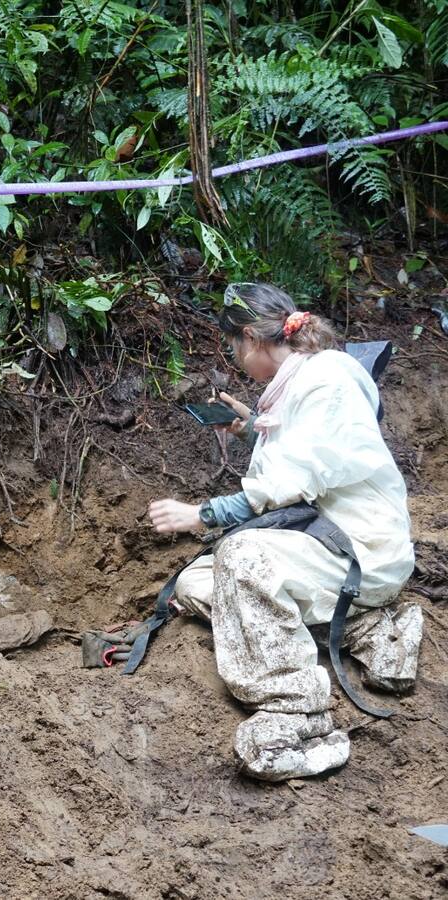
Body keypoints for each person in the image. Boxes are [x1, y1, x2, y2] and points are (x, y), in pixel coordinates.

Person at [147, 282, 422, 781]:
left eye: (234, 346)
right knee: (196, 583)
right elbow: (307, 453)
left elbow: (293, 482)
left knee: (243, 557)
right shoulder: (302, 383)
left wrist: (202, 513)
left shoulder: (327, 381)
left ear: (252, 338)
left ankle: (298, 711)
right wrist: (251, 429)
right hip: (323, 544)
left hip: (363, 551)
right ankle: (371, 631)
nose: (236, 358)